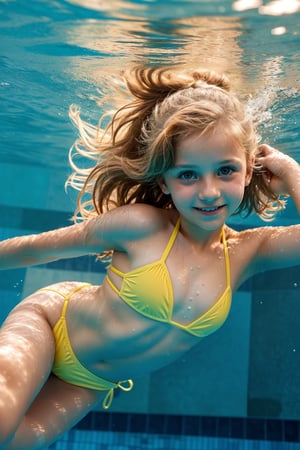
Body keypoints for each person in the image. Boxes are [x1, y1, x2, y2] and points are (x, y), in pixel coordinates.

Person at [0, 66, 300, 450]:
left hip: (91, 381)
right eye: (188, 175)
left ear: (249, 169)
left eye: (225, 170)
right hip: (49, 324)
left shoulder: (248, 253)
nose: (209, 191)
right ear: (164, 181)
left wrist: (291, 172)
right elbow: (38, 247)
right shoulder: (143, 225)